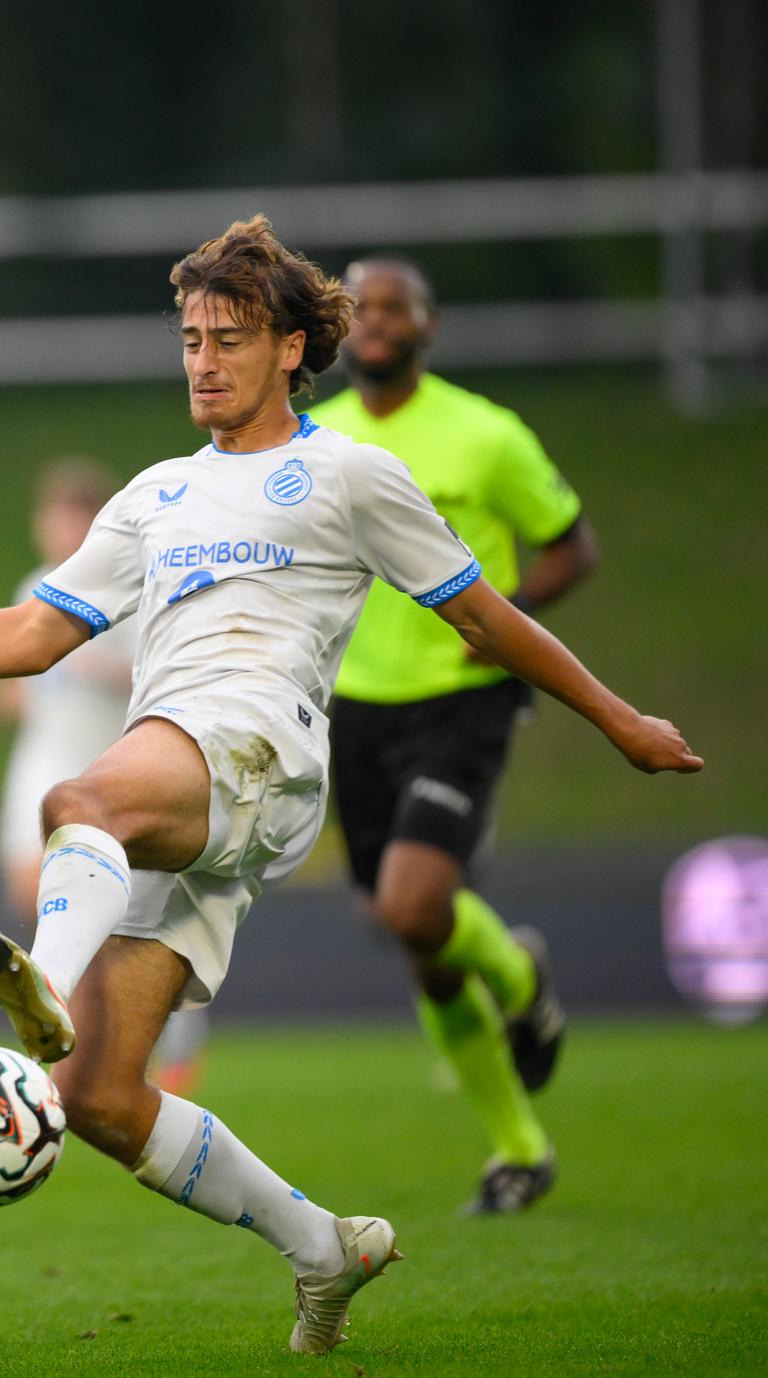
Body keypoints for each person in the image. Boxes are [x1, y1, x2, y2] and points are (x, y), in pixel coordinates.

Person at [0, 216, 701, 1353]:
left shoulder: (347, 472)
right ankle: (322, 1249)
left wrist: (621, 718)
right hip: (189, 781)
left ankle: (31, 1003)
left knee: (75, 803)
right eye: (191, 337)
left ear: (292, 346)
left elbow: (486, 616)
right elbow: (40, 628)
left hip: (258, 750)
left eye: (230, 337)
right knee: (99, 1097)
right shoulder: (154, 495)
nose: (203, 358)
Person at [307, 256, 599, 1215]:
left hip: (462, 695)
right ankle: (520, 1148)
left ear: (429, 328)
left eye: (399, 307)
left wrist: (501, 620)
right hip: (357, 707)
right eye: (366, 307)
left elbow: (571, 545)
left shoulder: (488, 435)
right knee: (425, 948)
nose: (380, 321)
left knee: (411, 903)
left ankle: (520, 977)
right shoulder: (317, 439)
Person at [0, 460, 208, 1094]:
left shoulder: (129, 594)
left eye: (73, 517)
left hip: (108, 765)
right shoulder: (33, 588)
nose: (61, 530)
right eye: (53, 517)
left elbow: (154, 681)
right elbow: (15, 690)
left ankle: (166, 1046)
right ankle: (70, 1020)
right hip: (43, 760)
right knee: (30, 890)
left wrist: (98, 674)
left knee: (128, 919)